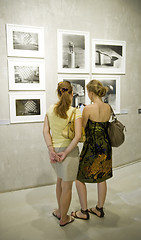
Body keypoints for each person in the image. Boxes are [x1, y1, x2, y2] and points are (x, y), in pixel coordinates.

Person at [71, 80, 112, 220]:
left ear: (91, 93)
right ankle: (99, 209)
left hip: (91, 147)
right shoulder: (108, 108)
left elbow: (82, 128)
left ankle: (83, 211)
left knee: (79, 177)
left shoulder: (88, 109)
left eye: (88, 92)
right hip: (105, 146)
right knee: (102, 177)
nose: (87, 94)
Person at [43, 81, 82, 227]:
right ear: (71, 93)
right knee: (67, 186)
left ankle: (60, 211)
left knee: (59, 181)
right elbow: (77, 136)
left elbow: (45, 131)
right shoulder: (74, 111)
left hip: (55, 151)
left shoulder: (50, 109)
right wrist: (66, 152)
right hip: (69, 152)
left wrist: (51, 150)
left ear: (58, 93)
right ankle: (64, 218)